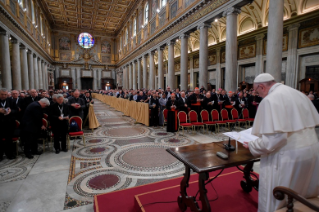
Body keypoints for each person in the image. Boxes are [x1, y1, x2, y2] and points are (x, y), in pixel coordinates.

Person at [243, 73, 319, 212]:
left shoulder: (270, 100)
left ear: (261, 86)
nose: (258, 94)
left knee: (278, 197)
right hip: (311, 151)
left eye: (257, 91)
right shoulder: (298, 93)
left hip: (288, 157)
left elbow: (274, 140)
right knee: (302, 193)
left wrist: (252, 145)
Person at [0, 88, 17, 160]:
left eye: (5, 94)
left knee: (9, 140)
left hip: (9, 123)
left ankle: (9, 154)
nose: (3, 96)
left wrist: (11, 111)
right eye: (2, 94)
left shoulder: (11, 100)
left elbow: (16, 110)